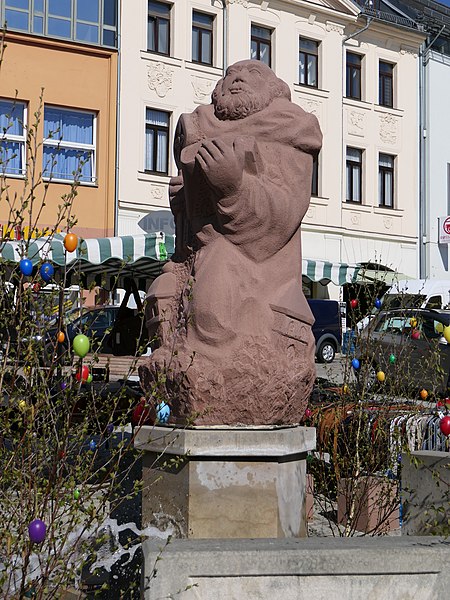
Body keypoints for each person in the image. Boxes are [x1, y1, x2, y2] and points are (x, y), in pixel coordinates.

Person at [141, 60, 322, 426]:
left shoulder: (289, 131)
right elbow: (192, 227)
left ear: (274, 89)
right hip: (201, 252)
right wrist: (184, 199)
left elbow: (284, 214)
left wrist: (235, 186)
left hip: (255, 263)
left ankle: (207, 367)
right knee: (161, 292)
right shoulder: (199, 127)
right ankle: (177, 360)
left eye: (252, 74)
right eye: (230, 74)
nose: (237, 78)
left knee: (214, 290)